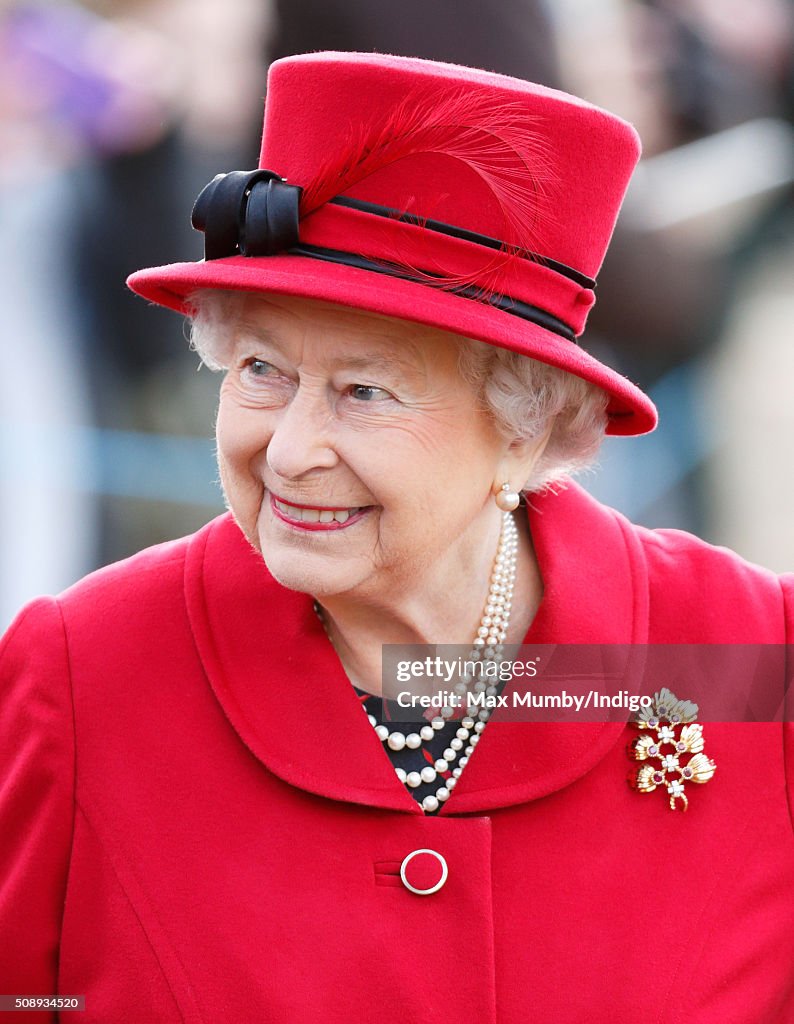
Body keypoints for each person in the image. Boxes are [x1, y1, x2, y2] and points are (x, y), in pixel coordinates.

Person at [1, 52, 792, 1024]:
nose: (287, 452)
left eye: (363, 391)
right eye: (259, 368)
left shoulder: (743, 657)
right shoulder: (79, 674)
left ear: (527, 428)